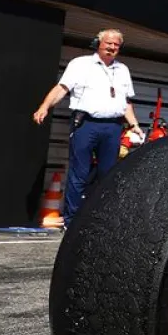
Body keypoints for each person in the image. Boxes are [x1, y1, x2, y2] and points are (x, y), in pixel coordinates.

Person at [33, 29, 142, 227]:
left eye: (116, 45)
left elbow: (126, 101)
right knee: (79, 172)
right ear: (97, 43)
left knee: (107, 174)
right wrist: (45, 106)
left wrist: (134, 124)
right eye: (108, 43)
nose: (112, 47)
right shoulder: (81, 64)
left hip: (112, 126)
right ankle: (72, 219)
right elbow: (61, 88)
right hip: (85, 124)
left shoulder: (123, 69)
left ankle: (100, 217)